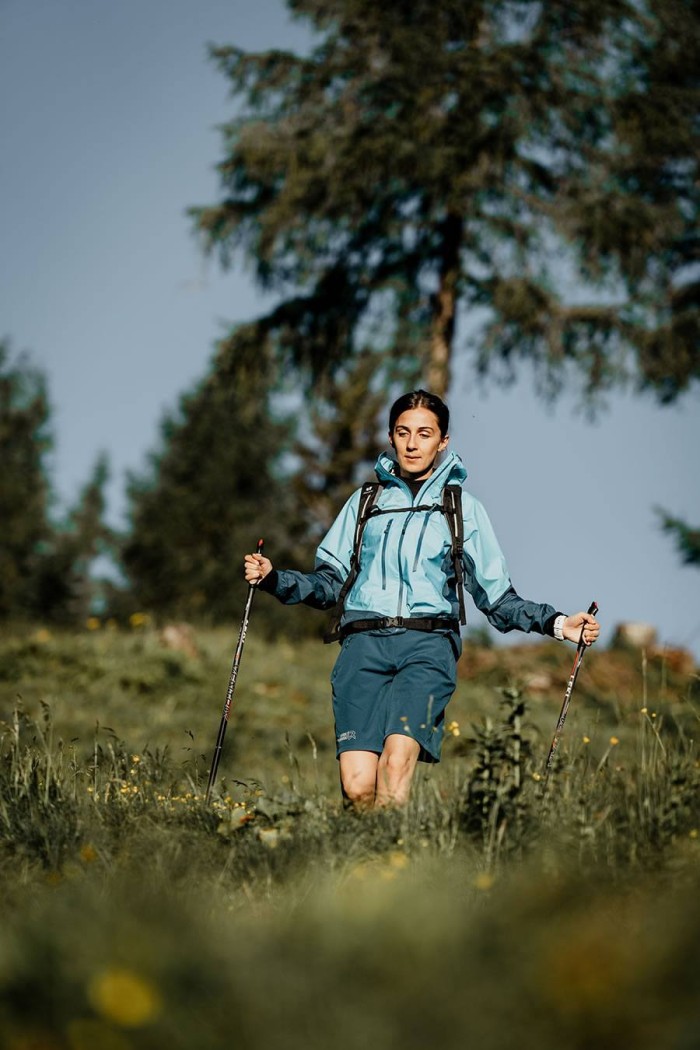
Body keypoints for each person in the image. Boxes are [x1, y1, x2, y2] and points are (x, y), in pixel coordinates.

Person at [244, 389, 599, 808]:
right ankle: (358, 869)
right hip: (362, 647)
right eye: (403, 432)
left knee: (396, 766)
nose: (412, 443)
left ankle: (397, 868)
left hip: (428, 647)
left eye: (425, 433)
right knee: (358, 788)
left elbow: (498, 599)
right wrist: (274, 579)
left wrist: (557, 624)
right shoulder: (365, 504)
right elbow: (327, 584)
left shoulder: (461, 509)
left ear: (443, 441)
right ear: (391, 438)